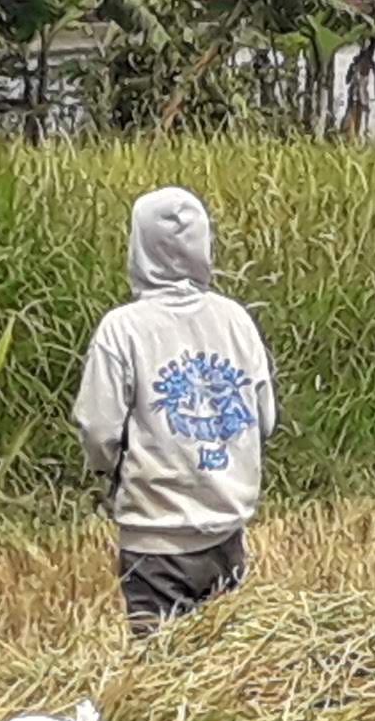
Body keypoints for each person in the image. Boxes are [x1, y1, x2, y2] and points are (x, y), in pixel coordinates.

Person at [73, 185, 276, 632]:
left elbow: (97, 428)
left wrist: (107, 473)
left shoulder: (122, 330)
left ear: (138, 246)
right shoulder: (236, 319)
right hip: (227, 533)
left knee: (159, 684)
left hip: (155, 541)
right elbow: (265, 419)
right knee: (224, 674)